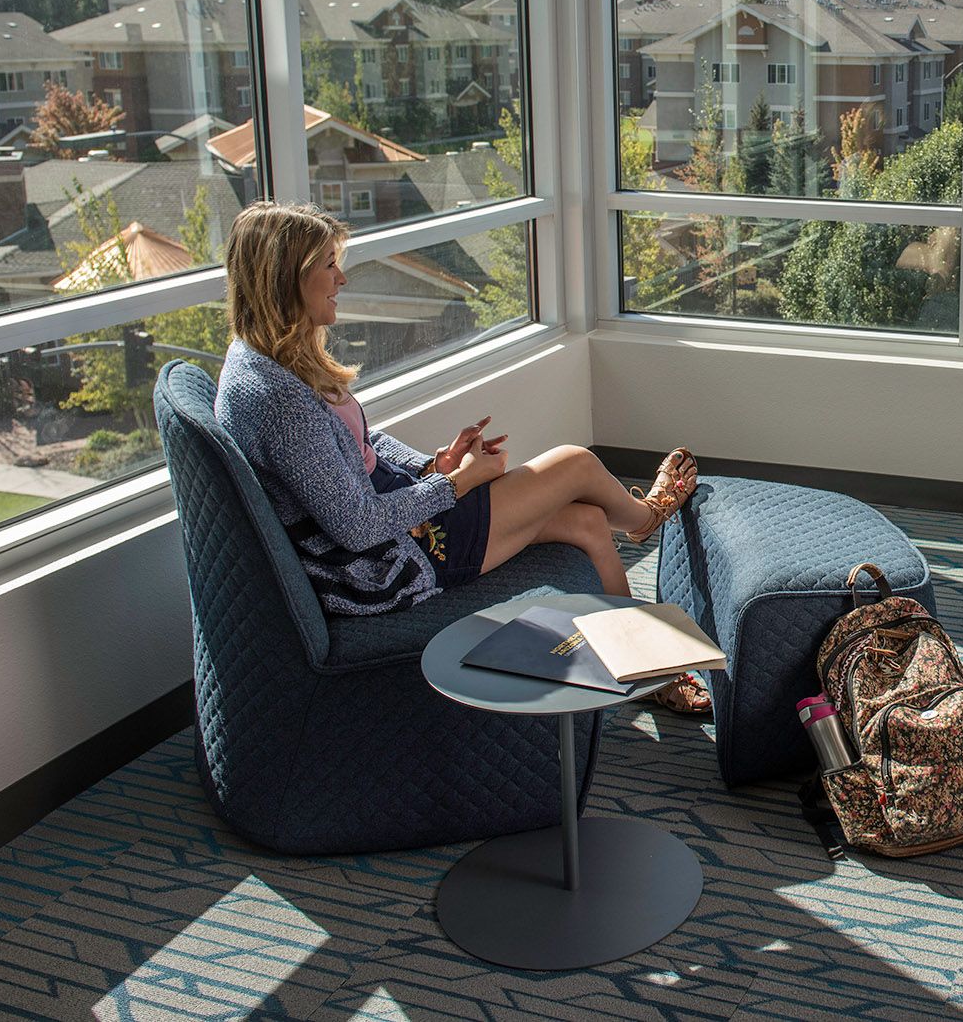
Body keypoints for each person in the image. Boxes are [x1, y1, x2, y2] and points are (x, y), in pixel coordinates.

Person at [213, 200, 712, 712]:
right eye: (328, 265)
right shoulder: (277, 400)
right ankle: (644, 520)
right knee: (575, 464)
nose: (340, 278)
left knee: (586, 523)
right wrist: (455, 486)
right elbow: (357, 527)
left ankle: (649, 670)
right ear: (285, 279)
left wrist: (434, 464)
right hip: (390, 562)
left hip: (402, 519)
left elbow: (365, 448)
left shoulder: (277, 363)